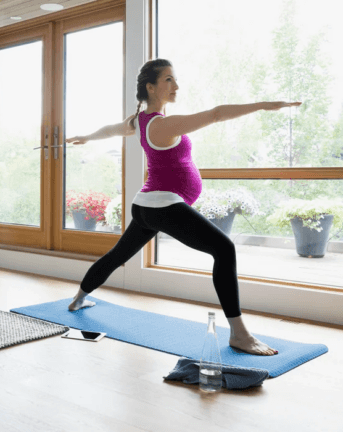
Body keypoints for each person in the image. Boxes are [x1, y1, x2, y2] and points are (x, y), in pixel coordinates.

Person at [65, 59, 301, 356]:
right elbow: (216, 114)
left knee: (117, 256)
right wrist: (264, 105)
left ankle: (78, 298)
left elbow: (112, 129)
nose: (175, 86)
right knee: (224, 249)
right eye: (168, 80)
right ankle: (239, 334)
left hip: (146, 205)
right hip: (163, 205)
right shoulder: (163, 124)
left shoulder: (142, 121)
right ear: (151, 88)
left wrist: (86, 137)